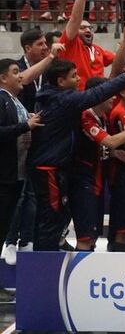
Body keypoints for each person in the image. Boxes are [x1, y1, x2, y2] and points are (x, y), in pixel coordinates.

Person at [26, 53, 125, 252]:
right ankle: (43, 272)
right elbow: (109, 138)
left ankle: (48, 268)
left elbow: (104, 144)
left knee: (63, 222)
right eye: (74, 76)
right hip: (54, 168)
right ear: (61, 81)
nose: (79, 79)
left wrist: (111, 154)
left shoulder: (61, 100)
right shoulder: (68, 103)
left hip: (69, 171)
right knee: (52, 220)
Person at [72, 78, 125, 251]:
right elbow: (112, 141)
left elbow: (105, 145)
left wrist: (113, 153)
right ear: (97, 96)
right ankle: (78, 276)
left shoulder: (102, 116)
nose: (113, 97)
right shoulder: (86, 116)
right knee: (87, 237)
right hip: (85, 181)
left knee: (94, 235)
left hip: (98, 180)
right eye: (109, 94)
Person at [0, 59, 43, 271]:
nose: (20, 76)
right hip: (4, 176)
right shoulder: (1, 100)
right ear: (3, 78)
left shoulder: (16, 101)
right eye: (16, 72)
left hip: (18, 175)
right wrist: (26, 125)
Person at [57, 0, 116, 89]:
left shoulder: (98, 49)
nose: (88, 30)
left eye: (90, 28)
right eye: (83, 28)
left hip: (99, 99)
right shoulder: (69, 44)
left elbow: (118, 61)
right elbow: (74, 19)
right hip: (78, 97)